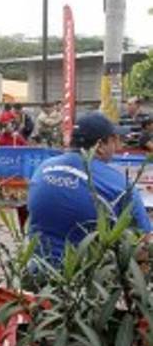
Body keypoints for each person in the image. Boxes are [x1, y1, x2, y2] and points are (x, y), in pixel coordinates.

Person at [28, 112, 151, 266]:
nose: (117, 147)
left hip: (37, 271)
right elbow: (144, 245)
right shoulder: (120, 185)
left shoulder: (43, 168)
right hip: (86, 276)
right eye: (114, 140)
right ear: (100, 146)